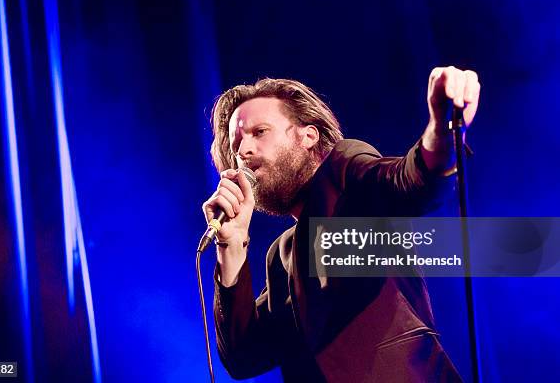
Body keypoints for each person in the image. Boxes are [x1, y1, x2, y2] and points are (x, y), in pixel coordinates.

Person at [202, 67, 480, 382]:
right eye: (237, 143)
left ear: (307, 136)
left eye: (259, 132)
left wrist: (442, 133)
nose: (243, 151)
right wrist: (232, 243)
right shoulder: (281, 256)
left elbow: (409, 183)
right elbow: (243, 358)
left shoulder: (344, 171)